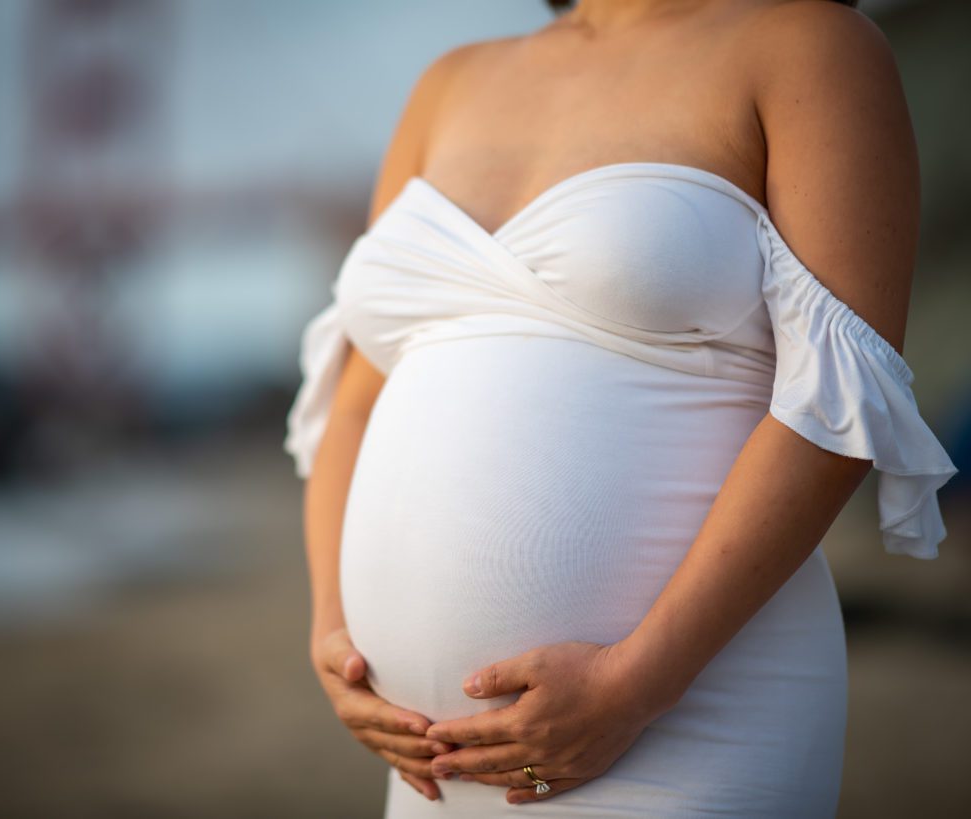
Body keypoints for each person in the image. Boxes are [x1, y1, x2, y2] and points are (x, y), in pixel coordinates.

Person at [284, 0, 959, 815]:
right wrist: (334, 635)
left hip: (688, 711)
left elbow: (842, 396)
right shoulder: (449, 81)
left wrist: (638, 683)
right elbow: (356, 396)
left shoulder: (807, 44)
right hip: (427, 754)